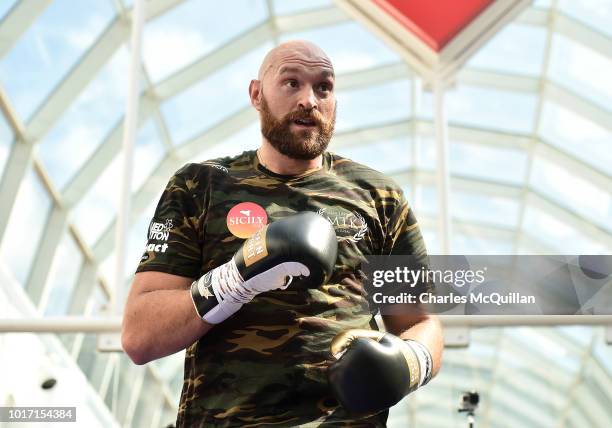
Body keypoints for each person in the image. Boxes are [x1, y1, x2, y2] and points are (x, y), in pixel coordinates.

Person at [122, 40, 443, 427]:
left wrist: (412, 361)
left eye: (323, 87)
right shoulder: (200, 185)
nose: (309, 100)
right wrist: (234, 279)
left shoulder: (380, 197)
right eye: (291, 83)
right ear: (257, 94)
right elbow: (140, 335)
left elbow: (420, 322)